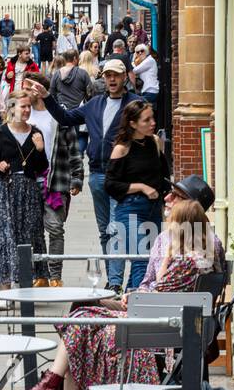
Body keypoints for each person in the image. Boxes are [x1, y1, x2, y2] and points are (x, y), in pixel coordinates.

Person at [9, 199, 220, 390]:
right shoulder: (203, 258)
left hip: (153, 326)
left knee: (80, 325)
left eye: (172, 221)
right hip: (158, 317)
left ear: (183, 227)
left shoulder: (187, 262)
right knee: (80, 318)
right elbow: (163, 290)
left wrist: (157, 268)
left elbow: (160, 289)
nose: (167, 224)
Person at [23, 62, 141, 290]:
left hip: (123, 176)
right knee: (105, 230)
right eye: (108, 76)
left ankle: (115, 283)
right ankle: (114, 280)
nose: (112, 80)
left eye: (116, 75)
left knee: (116, 228)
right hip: (97, 175)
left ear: (125, 76)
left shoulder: (135, 104)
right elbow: (65, 118)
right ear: (104, 78)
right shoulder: (95, 104)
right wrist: (48, 96)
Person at [0, 91, 50, 288]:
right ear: (12, 108)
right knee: (4, 238)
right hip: (4, 190)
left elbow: (41, 167)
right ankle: (6, 291)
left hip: (28, 191)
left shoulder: (36, 132)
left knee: (28, 237)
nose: (27, 110)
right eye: (23, 106)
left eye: (29, 106)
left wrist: (39, 149)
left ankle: (26, 288)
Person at [23, 72, 85, 288]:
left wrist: (77, 178)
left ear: (40, 90)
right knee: (33, 229)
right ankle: (39, 274)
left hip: (55, 178)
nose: (27, 91)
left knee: (55, 227)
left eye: (30, 87)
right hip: (29, 180)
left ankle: (55, 275)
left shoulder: (57, 114)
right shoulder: (23, 114)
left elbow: (72, 146)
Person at [105, 100, 170, 289]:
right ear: (132, 123)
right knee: (141, 258)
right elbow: (110, 185)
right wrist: (140, 186)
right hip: (130, 208)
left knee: (150, 260)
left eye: (153, 118)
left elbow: (163, 175)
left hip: (153, 208)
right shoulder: (122, 148)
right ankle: (140, 305)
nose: (153, 123)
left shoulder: (155, 143)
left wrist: (168, 199)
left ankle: (129, 301)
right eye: (146, 120)